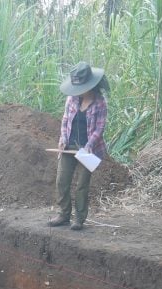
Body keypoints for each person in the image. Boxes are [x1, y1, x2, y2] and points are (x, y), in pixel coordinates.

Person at [48, 62, 109, 231]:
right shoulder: (72, 99)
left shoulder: (100, 103)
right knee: (62, 181)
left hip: (89, 149)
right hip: (69, 146)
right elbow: (65, 120)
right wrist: (63, 138)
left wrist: (89, 146)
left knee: (82, 185)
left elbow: (99, 129)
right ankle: (63, 214)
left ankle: (79, 219)